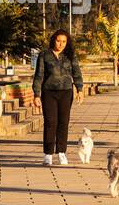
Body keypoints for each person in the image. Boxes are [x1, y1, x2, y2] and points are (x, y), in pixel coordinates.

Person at [32, 29, 83, 166]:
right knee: (50, 122)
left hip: (66, 92)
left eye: (64, 42)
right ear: (53, 40)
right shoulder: (44, 55)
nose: (60, 44)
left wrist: (79, 89)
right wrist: (37, 94)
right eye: (58, 41)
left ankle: (61, 152)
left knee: (63, 122)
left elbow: (77, 73)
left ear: (67, 42)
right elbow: (39, 75)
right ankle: (48, 154)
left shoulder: (70, 55)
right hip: (49, 92)